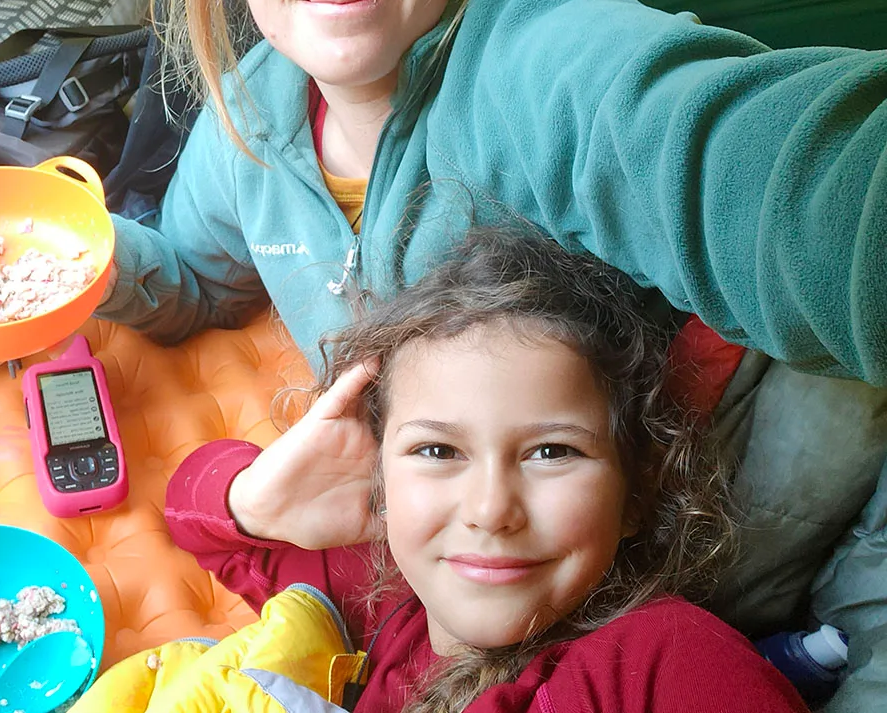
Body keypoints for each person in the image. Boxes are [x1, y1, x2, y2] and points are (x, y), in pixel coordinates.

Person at [0, 0, 886, 704]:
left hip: (707, 491)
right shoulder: (253, 119)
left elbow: (789, 179)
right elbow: (188, 279)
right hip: (461, 543)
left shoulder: (536, 64)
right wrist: (63, 248)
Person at [162, 227, 808, 712]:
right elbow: (190, 512)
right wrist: (258, 503)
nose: (491, 508)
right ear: (381, 478)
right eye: (438, 451)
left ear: (635, 489)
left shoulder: (662, 661)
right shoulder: (387, 590)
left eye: (552, 451)